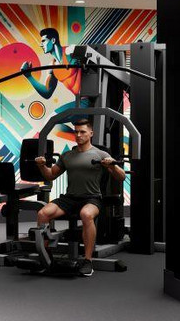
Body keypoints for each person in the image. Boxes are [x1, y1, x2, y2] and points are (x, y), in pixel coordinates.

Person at [33, 118, 125, 276]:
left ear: (91, 133)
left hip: (92, 198)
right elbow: (51, 175)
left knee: (86, 214)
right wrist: (42, 166)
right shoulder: (67, 155)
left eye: (82, 132)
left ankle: (88, 261)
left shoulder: (100, 153)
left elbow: (121, 177)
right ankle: (45, 256)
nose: (78, 135)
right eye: (76, 132)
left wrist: (112, 166)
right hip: (70, 198)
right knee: (43, 214)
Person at [21, 28, 81, 99]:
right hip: (82, 101)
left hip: (95, 94)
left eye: (43, 41)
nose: (41, 45)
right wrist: (29, 76)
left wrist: (83, 61)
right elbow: (47, 93)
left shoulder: (71, 50)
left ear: (53, 40)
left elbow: (95, 56)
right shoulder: (52, 68)